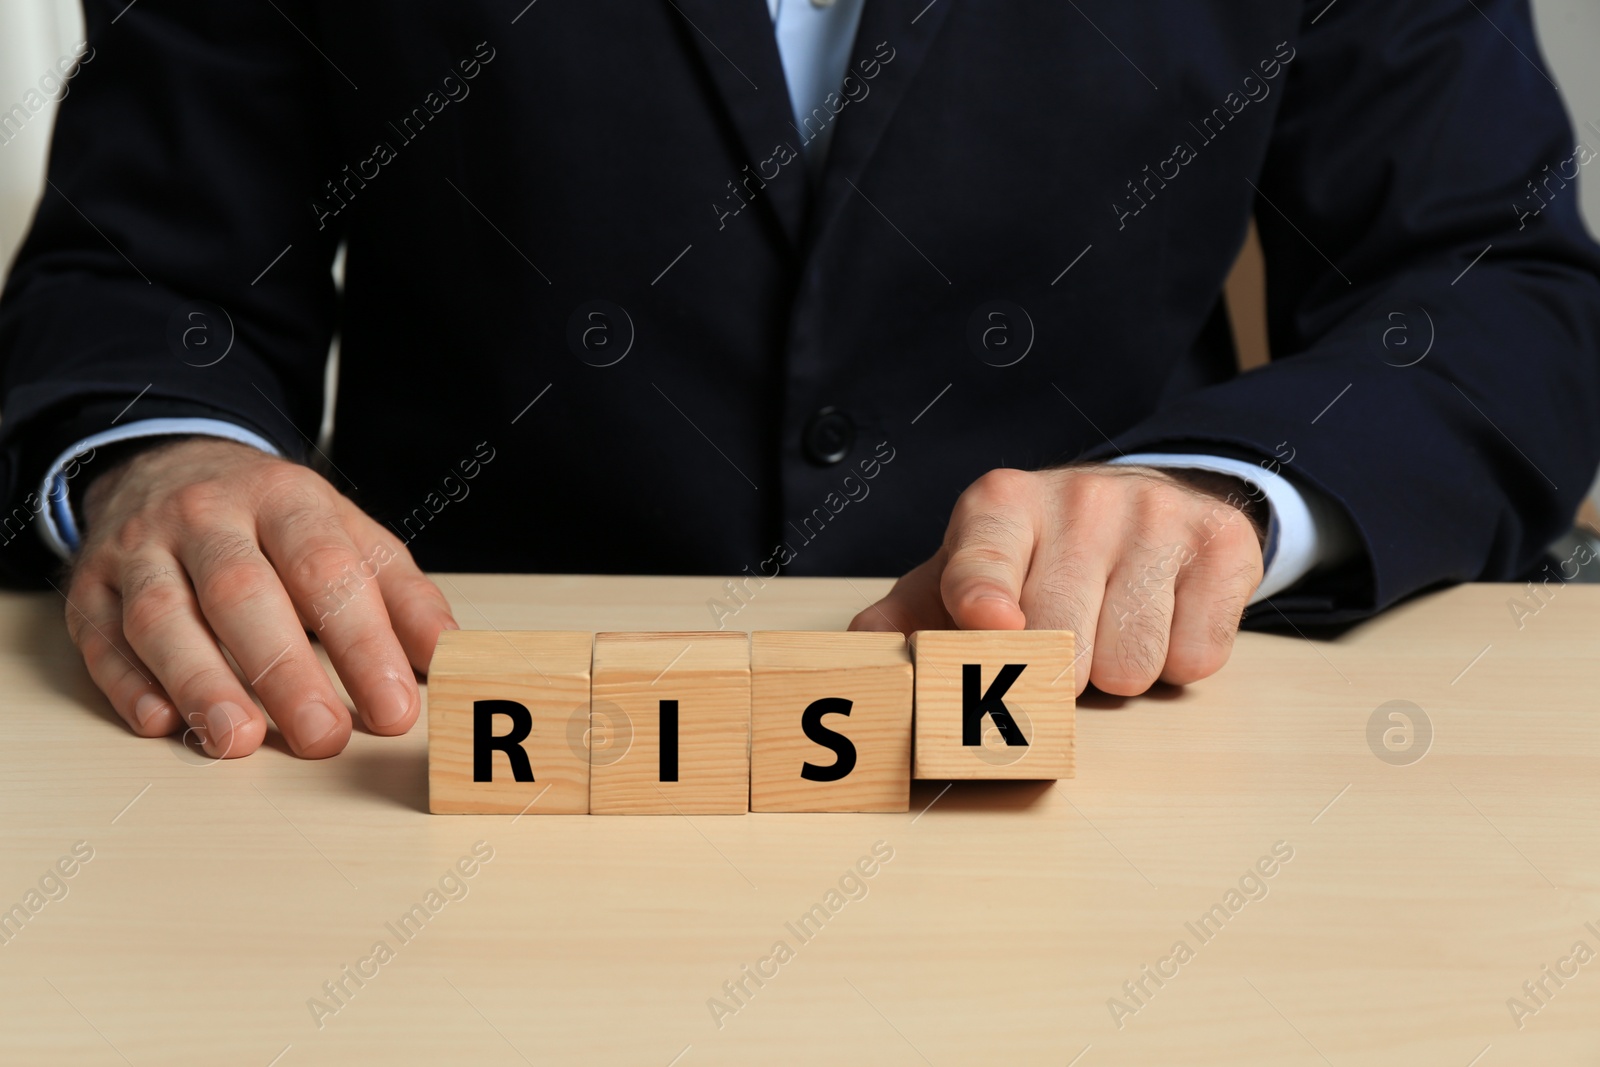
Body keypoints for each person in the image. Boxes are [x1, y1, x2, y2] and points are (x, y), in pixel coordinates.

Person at [1, 0, 1597, 761]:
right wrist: (162, 462)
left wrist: (1226, 499)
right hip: (404, 770)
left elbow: (1491, 276)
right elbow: (137, 277)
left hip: (1121, 770)